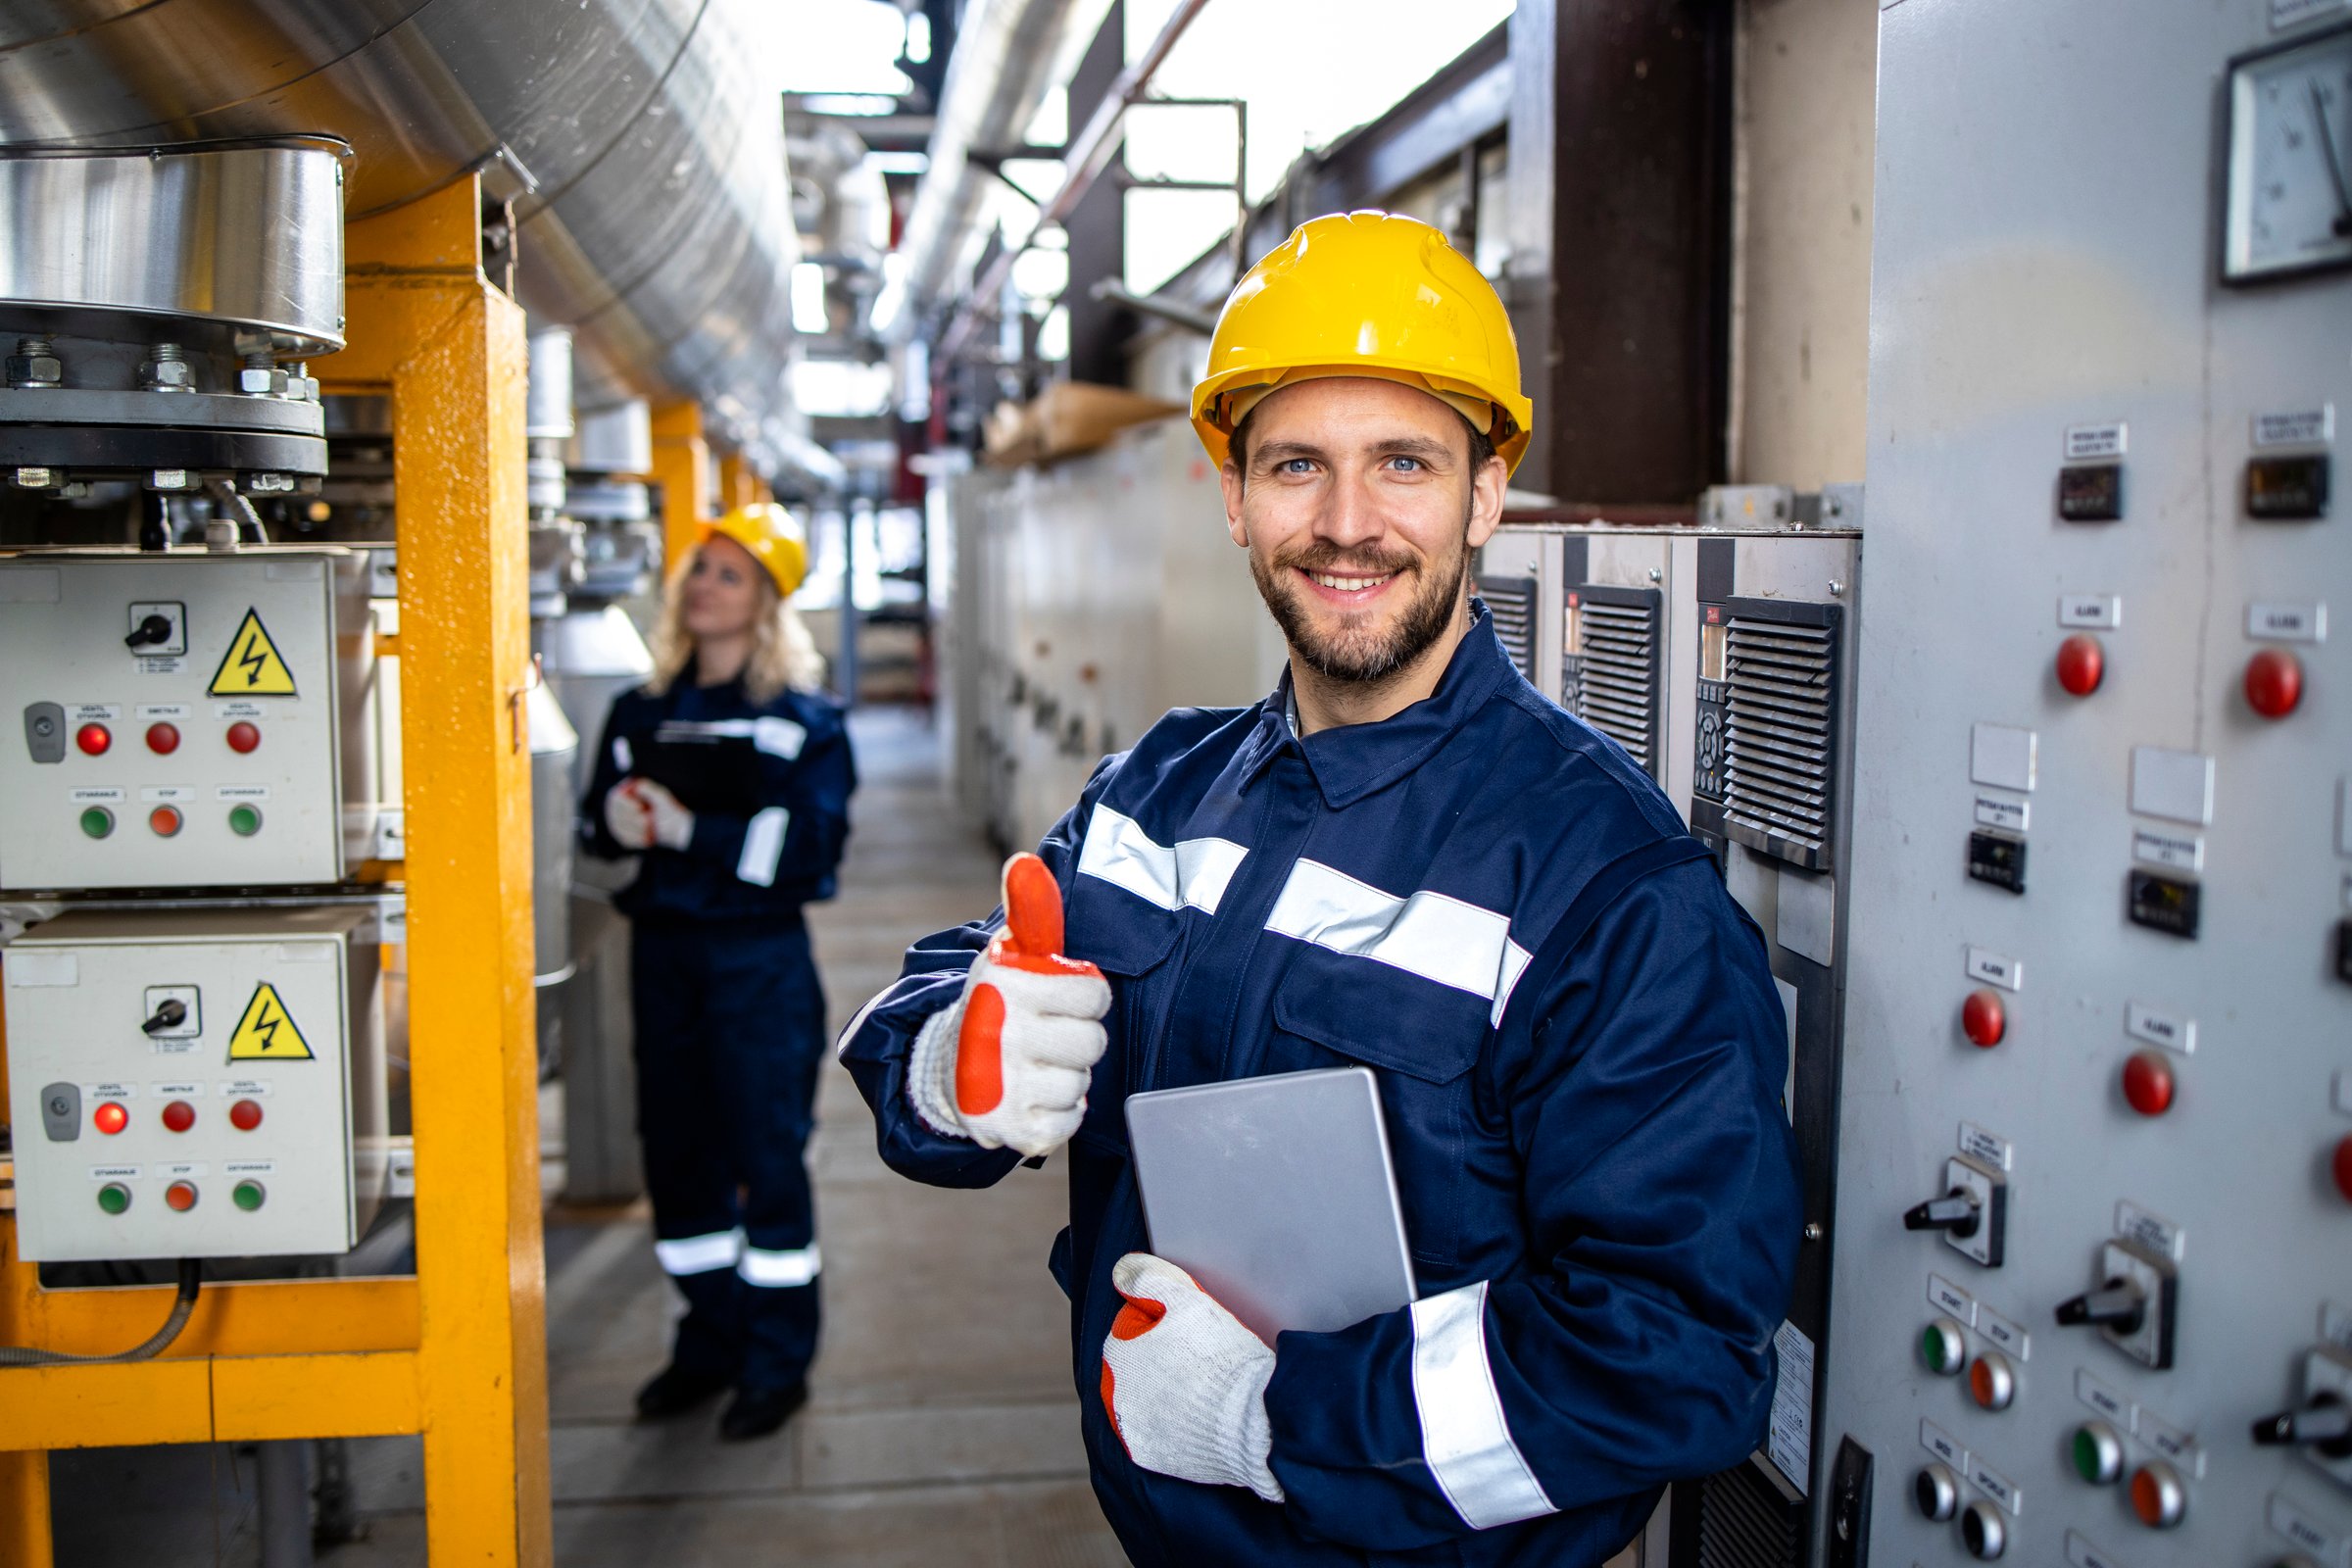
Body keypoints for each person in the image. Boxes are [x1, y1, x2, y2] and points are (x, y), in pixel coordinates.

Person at [841, 212, 1800, 1563]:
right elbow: (961, 976)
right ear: (1234, 496)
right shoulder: (1156, 796)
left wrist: (1277, 1422)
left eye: (1402, 463)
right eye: (1297, 465)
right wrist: (951, 1058)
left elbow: (1675, 1353)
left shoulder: (1609, 890)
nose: (1347, 526)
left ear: (1484, 492)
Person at [579, 503, 856, 1442]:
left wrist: (694, 831)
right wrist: (614, 825)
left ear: (768, 603)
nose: (704, 586)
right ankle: (708, 1345)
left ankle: (778, 1363)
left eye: (730, 574)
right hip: (663, 961)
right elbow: (594, 832)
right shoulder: (639, 712)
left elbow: (810, 853)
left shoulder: (801, 724)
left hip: (758, 966)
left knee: (766, 1159)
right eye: (700, 568)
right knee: (678, 1154)